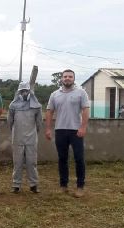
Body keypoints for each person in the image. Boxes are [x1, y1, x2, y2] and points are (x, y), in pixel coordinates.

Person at [45, 69, 90, 198]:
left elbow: (86, 110)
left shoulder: (81, 93)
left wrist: (83, 127)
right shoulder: (55, 94)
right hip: (60, 130)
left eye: (70, 76)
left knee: (79, 158)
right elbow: (49, 111)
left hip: (76, 130)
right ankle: (63, 186)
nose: (67, 78)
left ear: (74, 79)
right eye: (65, 76)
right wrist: (48, 129)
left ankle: (80, 187)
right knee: (62, 159)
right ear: (61, 79)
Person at [8, 82, 42, 193]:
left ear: (30, 92)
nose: (24, 93)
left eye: (26, 91)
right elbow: (10, 122)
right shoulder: (13, 106)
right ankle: (16, 185)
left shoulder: (36, 106)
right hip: (17, 137)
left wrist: (34, 133)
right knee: (17, 162)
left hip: (31, 138)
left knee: (31, 162)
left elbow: (39, 123)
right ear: (18, 92)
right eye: (22, 91)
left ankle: (34, 185)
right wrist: (14, 132)